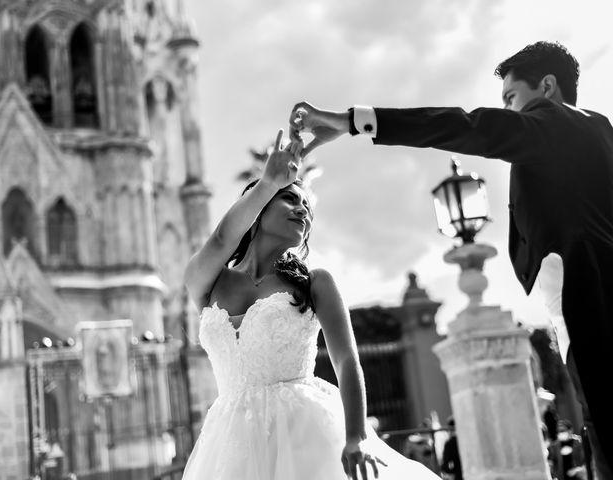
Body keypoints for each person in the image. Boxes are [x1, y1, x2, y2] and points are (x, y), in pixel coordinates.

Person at [289, 40, 613, 480]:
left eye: (512, 99)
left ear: (548, 87)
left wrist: (351, 122)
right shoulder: (601, 132)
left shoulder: (550, 122)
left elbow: (465, 126)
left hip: (593, 306)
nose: (510, 112)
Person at [183, 128, 442, 480]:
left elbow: (347, 360)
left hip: (306, 434)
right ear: (257, 209)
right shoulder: (209, 281)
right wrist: (269, 182)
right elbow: (220, 239)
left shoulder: (315, 282)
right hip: (229, 444)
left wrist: (356, 437)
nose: (302, 211)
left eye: (307, 207)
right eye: (289, 199)